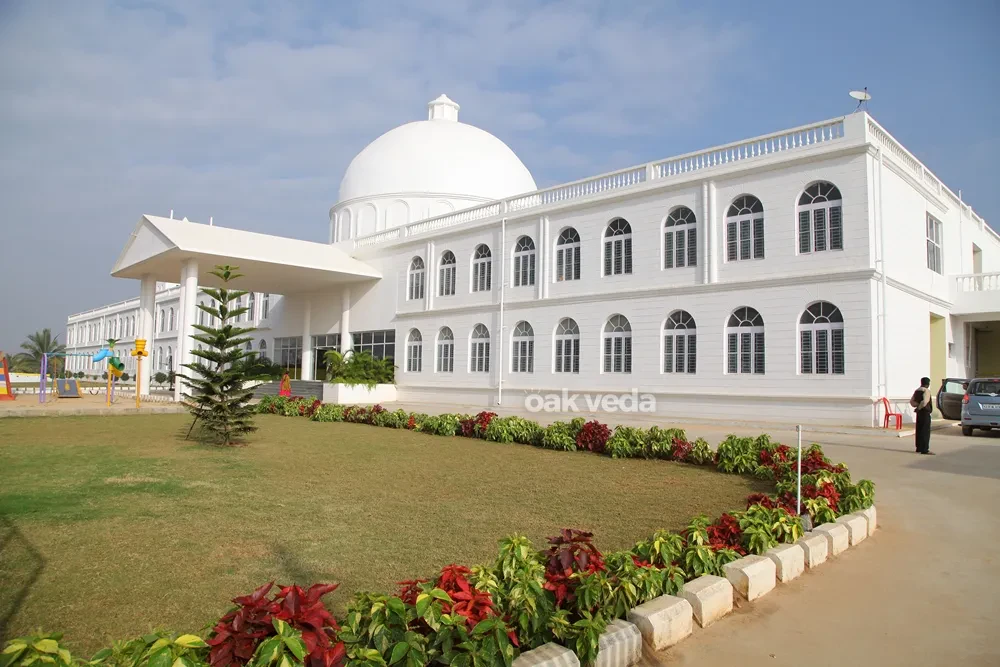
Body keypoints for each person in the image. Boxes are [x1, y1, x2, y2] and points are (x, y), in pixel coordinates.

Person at [910, 376, 935, 455]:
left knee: (919, 430)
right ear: (927, 384)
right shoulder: (926, 391)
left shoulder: (917, 391)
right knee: (925, 431)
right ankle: (925, 449)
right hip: (925, 412)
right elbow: (925, 402)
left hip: (919, 413)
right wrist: (920, 407)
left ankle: (919, 447)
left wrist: (916, 406)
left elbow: (911, 401)